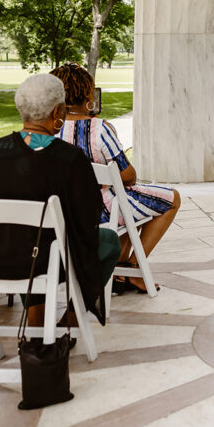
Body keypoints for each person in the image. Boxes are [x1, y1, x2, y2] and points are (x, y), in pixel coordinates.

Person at [0, 74, 120, 327]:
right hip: (46, 260)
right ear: (57, 112)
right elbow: (88, 217)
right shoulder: (70, 159)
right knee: (108, 241)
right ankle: (70, 320)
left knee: (25, 239)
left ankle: (36, 318)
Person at [51, 63, 180, 294]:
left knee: (125, 200)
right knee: (170, 199)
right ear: (88, 95)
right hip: (101, 211)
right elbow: (128, 176)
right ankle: (133, 267)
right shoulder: (99, 129)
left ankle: (117, 271)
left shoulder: (47, 129)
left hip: (61, 210)